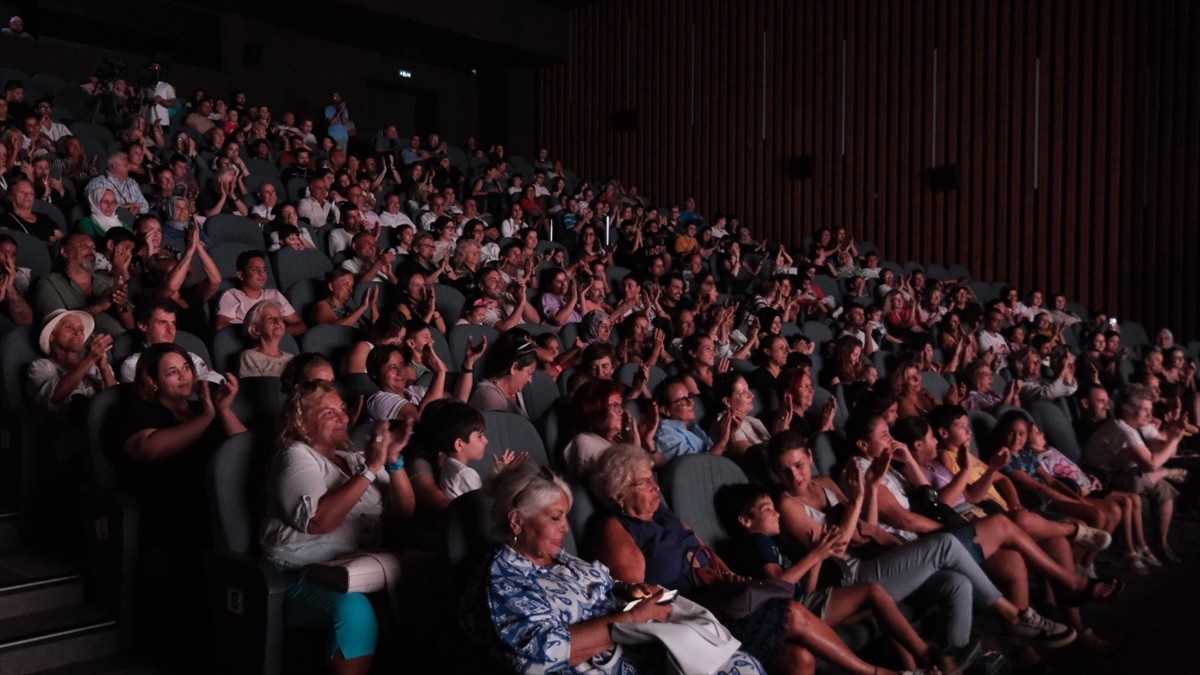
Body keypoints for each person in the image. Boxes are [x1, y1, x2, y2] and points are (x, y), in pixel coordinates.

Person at [589, 444, 937, 674]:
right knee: (794, 613)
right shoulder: (616, 528)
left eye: (654, 479)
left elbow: (706, 555)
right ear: (619, 493)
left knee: (800, 659)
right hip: (692, 617)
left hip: (722, 602)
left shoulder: (663, 515)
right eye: (646, 482)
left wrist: (733, 578)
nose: (656, 487)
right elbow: (636, 595)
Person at [461, 460, 766, 674]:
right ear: (517, 521)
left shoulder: (561, 559)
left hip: (644, 650)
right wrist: (630, 618)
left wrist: (629, 590)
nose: (566, 528)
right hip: (608, 666)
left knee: (743, 665)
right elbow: (535, 657)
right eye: (555, 518)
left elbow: (607, 586)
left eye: (566, 517)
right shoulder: (502, 583)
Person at [259, 381, 415, 675]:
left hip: (357, 569)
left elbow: (404, 511)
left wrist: (393, 463)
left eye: (342, 410)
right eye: (329, 412)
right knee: (354, 611)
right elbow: (319, 522)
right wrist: (370, 469)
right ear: (301, 420)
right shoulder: (295, 456)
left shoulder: (353, 458)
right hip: (298, 576)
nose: (342, 417)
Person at [717, 483, 950, 674]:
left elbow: (807, 590)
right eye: (767, 509)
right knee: (873, 592)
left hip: (802, 605)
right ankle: (930, 658)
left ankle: (914, 668)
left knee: (878, 604)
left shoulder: (773, 543)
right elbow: (777, 587)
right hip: (782, 613)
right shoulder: (755, 542)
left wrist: (819, 556)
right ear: (746, 521)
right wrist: (815, 555)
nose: (776, 513)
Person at [1081, 383, 1187, 563]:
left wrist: (1173, 431)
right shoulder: (1122, 429)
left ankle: (1161, 542)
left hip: (1128, 472)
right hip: (1103, 477)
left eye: (1150, 409)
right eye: (1144, 410)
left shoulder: (1140, 425)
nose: (1150, 415)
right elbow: (1153, 464)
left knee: (1165, 491)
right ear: (1128, 410)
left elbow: (1163, 449)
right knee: (1147, 478)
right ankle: (1166, 473)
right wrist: (1174, 438)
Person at [32, 233, 133, 336]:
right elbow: (56, 328)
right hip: (90, 348)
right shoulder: (49, 283)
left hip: (124, 345)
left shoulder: (108, 282)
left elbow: (131, 326)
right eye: (84, 246)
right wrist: (98, 306)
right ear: (64, 251)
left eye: (93, 247)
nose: (92, 251)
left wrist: (121, 306)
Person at [562, 379, 661, 477]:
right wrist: (635, 448)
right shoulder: (584, 441)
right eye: (614, 405)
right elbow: (629, 478)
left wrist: (648, 439)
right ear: (594, 409)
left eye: (620, 405)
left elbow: (660, 465)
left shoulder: (617, 438)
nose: (621, 411)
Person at [26, 308, 116, 411]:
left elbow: (116, 398)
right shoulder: (39, 367)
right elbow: (55, 396)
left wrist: (104, 368)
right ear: (51, 336)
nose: (77, 333)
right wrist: (89, 359)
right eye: (69, 327)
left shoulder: (95, 364)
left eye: (81, 329)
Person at [215, 249, 306, 335]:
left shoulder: (274, 295)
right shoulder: (232, 295)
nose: (262, 273)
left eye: (264, 270)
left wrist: (277, 332)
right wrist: (257, 332)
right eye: (255, 269)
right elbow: (221, 325)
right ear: (241, 275)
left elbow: (300, 325)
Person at [469, 333, 538, 417]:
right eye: (529, 373)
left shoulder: (517, 393)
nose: (530, 380)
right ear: (514, 367)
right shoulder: (489, 396)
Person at [238, 300, 295, 377]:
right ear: (256, 329)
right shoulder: (250, 357)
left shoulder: (291, 358)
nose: (278, 321)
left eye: (280, 318)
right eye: (270, 318)